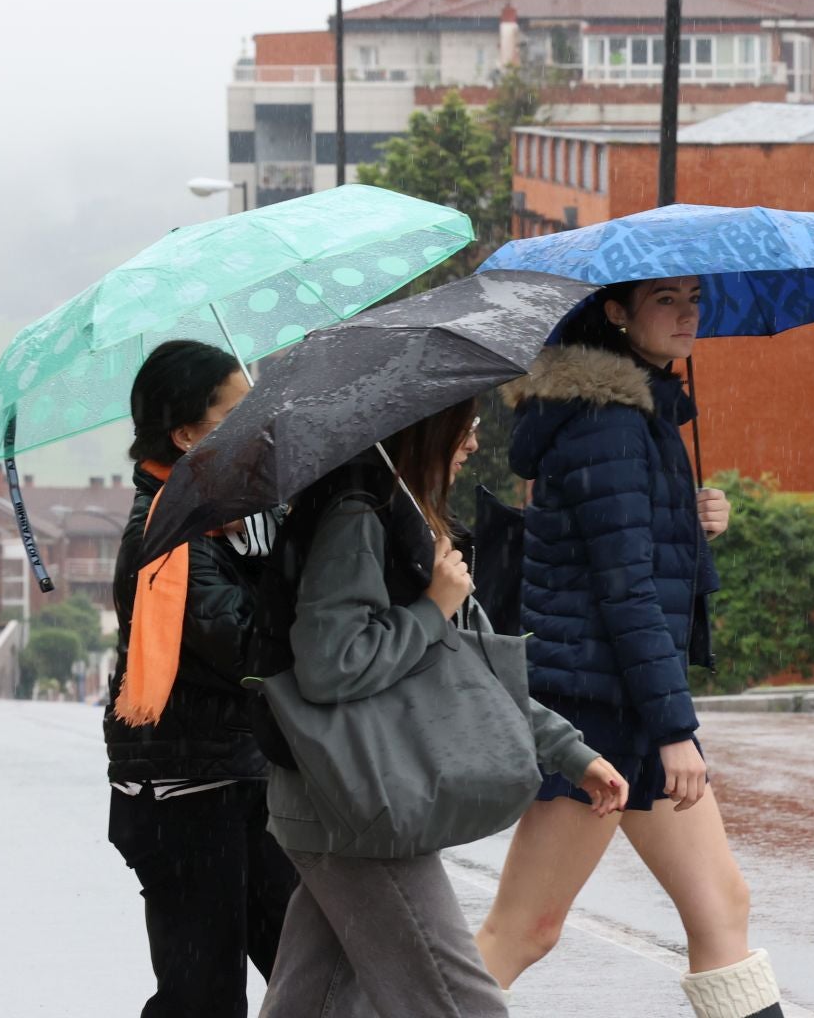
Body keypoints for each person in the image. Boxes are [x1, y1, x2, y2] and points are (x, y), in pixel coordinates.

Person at [476, 277, 785, 1018]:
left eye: (694, 300)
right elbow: (625, 592)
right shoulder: (606, 423)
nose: (688, 316)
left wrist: (694, 521)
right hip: (597, 712)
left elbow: (641, 563)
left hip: (632, 701)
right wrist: (676, 730)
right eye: (665, 301)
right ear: (616, 314)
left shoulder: (640, 417)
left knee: (721, 906)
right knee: (524, 931)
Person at [260, 399, 629, 1018]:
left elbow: (465, 674)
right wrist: (433, 606)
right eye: (467, 425)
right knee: (457, 1000)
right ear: (425, 428)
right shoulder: (360, 516)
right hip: (357, 802)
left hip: (346, 798)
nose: (473, 441)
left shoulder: (405, 522)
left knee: (313, 1000)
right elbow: (331, 664)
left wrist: (570, 751)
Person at [107, 340, 296, 1018]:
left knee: (315, 974)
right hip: (182, 798)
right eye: (238, 411)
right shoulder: (166, 538)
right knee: (204, 999)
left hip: (240, 778)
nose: (260, 423)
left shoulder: (229, 519)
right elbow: (249, 648)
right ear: (187, 433)